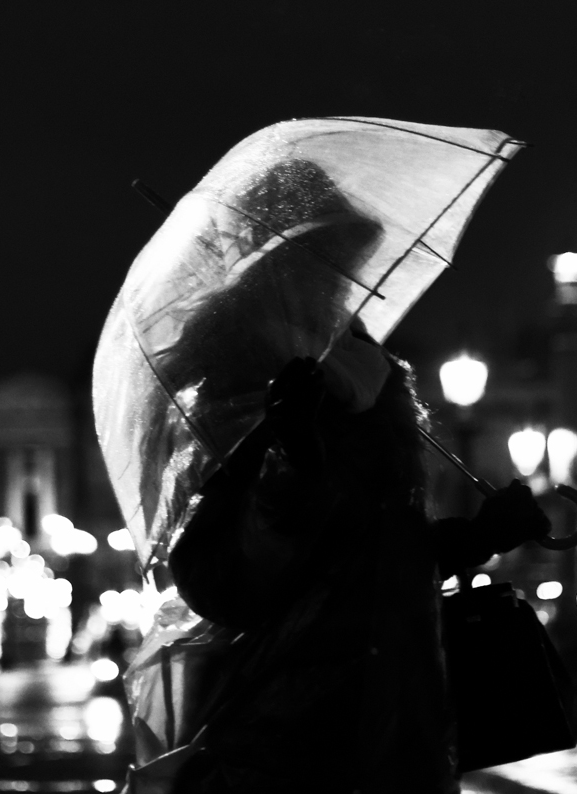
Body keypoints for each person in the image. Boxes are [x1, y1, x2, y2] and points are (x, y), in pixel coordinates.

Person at [150, 325, 551, 794]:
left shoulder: (374, 454)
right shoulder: (248, 463)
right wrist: (294, 468)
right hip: (289, 755)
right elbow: (229, 585)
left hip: (400, 744)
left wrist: (480, 535)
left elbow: (380, 562)